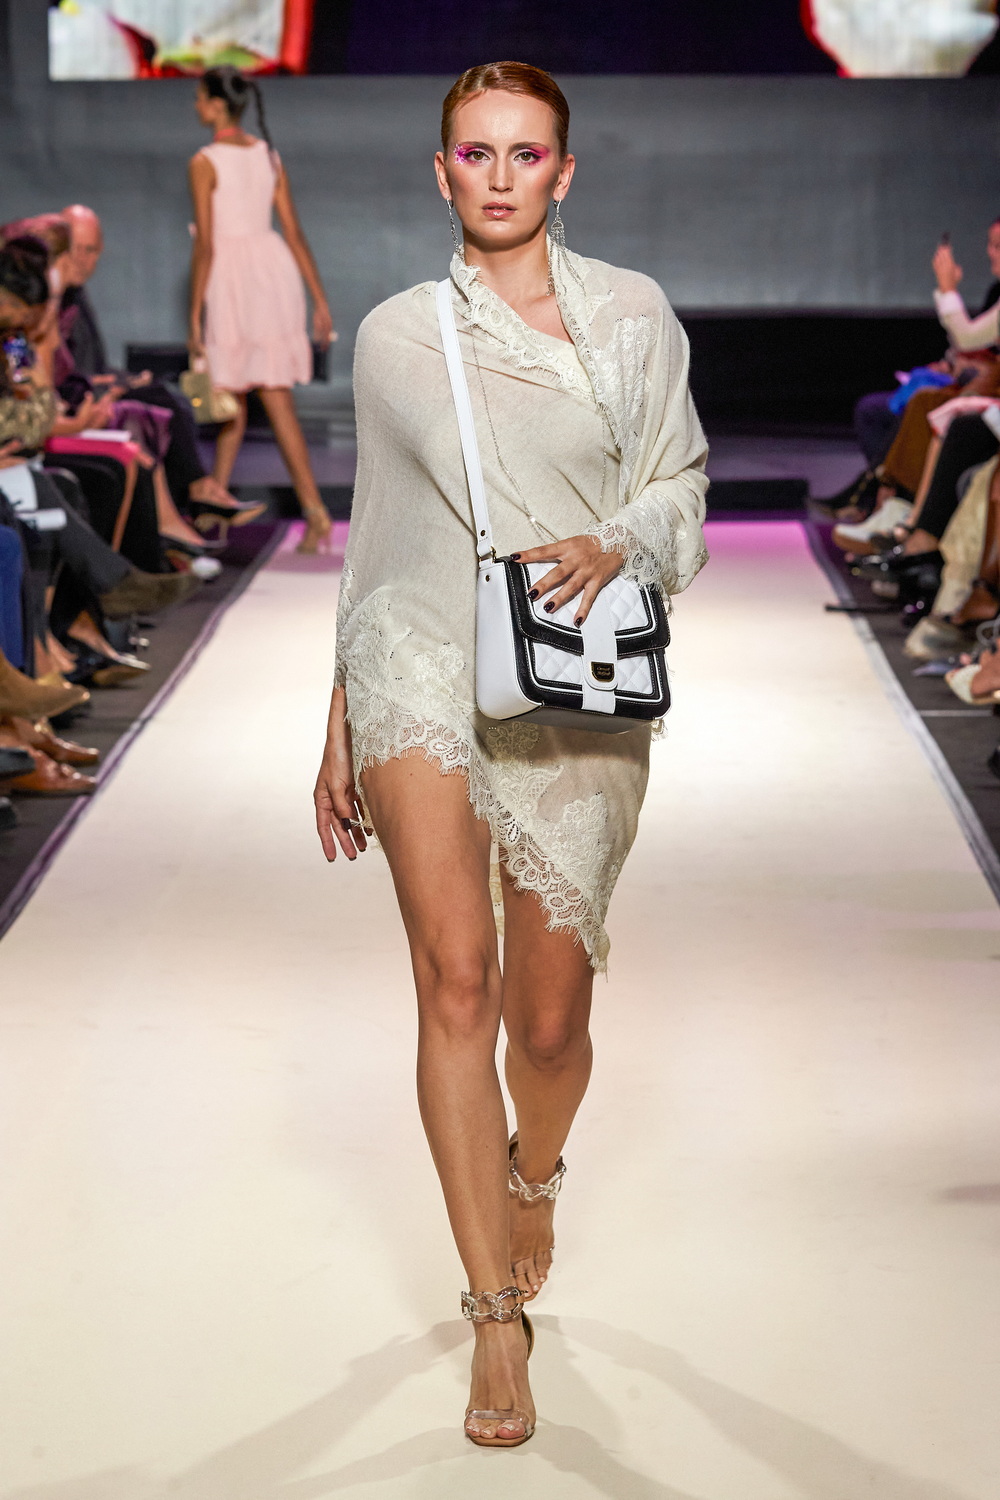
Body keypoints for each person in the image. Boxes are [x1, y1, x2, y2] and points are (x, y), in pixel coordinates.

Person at [312, 62, 708, 1448]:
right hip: (418, 660)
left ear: (562, 171)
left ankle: (534, 1172)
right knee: (454, 979)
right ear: (441, 172)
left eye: (524, 153)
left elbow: (681, 479)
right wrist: (341, 716)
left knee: (546, 1026)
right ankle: (493, 1316)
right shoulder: (394, 335)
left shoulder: (631, 317)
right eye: (473, 153)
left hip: (574, 675)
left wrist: (621, 540)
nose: (497, 175)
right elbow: (378, 538)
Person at [188, 66, 336, 554]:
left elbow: (206, 245)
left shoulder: (204, 161)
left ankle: (222, 510)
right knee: (259, 395)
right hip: (272, 274)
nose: (195, 106)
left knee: (239, 394)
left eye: (199, 98)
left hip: (231, 277)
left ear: (215, 105)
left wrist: (193, 316)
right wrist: (318, 299)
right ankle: (228, 507)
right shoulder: (267, 155)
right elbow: (292, 231)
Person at [58, 203, 262, 536]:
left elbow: (82, 366)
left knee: (166, 398)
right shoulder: (47, 302)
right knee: (156, 407)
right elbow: (49, 375)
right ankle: (193, 500)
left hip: (82, 391)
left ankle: (189, 505)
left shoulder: (73, 296)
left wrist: (118, 379)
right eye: (74, 248)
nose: (81, 259)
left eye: (90, 250)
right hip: (68, 403)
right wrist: (105, 385)